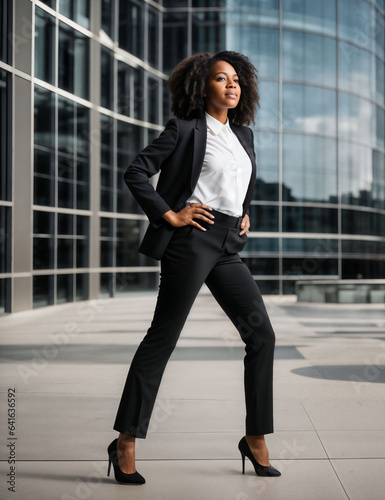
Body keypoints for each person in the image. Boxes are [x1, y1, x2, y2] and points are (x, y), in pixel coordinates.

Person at [107, 51, 281, 484]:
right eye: (222, 79)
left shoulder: (244, 134)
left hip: (227, 244)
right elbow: (136, 171)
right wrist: (170, 215)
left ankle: (255, 436)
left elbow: (239, 185)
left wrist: (244, 212)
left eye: (237, 80)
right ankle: (125, 441)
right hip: (191, 241)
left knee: (261, 335)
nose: (231, 85)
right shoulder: (184, 129)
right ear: (202, 86)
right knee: (162, 339)